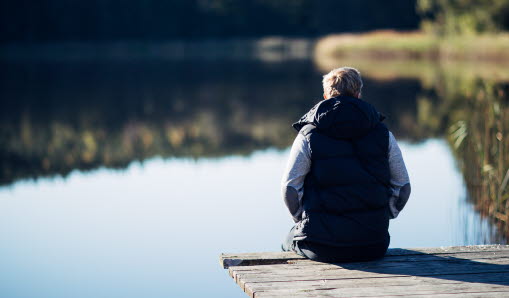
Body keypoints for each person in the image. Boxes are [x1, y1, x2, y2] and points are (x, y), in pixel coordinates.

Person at [281, 67, 411, 262]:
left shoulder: (309, 135)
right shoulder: (383, 134)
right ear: (358, 94)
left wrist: (301, 219)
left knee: (287, 241)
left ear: (325, 95)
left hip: (321, 245)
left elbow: (290, 188)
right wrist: (385, 215)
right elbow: (403, 187)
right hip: (373, 245)